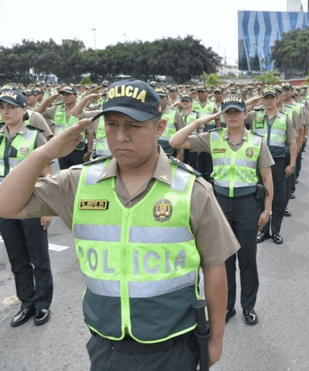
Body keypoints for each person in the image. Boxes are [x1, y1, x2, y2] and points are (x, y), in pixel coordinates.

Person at [0, 80, 238, 370]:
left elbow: (215, 267)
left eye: (134, 126)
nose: (121, 136)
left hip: (174, 346)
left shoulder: (190, 189)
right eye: (112, 125)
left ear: (159, 128)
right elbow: (6, 204)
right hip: (107, 345)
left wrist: (216, 339)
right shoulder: (80, 182)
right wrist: (44, 153)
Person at [170, 94, 274, 327]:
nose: (233, 116)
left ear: (245, 114)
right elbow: (176, 142)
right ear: (222, 115)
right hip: (220, 203)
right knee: (223, 260)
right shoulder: (212, 138)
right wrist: (199, 122)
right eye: (228, 112)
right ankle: (228, 307)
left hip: (248, 203)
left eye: (237, 112)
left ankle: (248, 306)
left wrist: (267, 210)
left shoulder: (257, 141)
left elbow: (267, 178)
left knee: (248, 259)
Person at [0, 89, 54, 327]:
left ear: (24, 110)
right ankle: (27, 303)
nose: (6, 112)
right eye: (2, 107)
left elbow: (48, 173)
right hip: (5, 207)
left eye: (11, 107)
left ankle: (43, 305)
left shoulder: (35, 136)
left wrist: (47, 208)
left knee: (39, 258)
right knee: (18, 259)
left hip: (32, 205)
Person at [248, 87, 297, 245]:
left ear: (277, 99)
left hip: (278, 161)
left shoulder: (285, 119)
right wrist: (253, 101)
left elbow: (293, 143)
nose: (269, 100)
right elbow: (238, 111)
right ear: (262, 99)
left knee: (279, 198)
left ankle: (275, 231)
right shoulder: (254, 115)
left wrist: (292, 164)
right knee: (260, 197)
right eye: (266, 97)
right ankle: (262, 230)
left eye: (272, 97)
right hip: (258, 161)